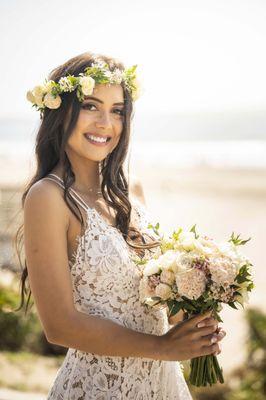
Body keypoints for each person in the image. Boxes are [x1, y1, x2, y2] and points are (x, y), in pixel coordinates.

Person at [16, 52, 226, 399]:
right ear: (60, 110)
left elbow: (151, 299)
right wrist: (162, 347)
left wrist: (193, 320)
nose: (105, 123)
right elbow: (59, 326)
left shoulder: (131, 190)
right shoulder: (47, 197)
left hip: (163, 385)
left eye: (117, 111)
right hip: (98, 387)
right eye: (90, 106)